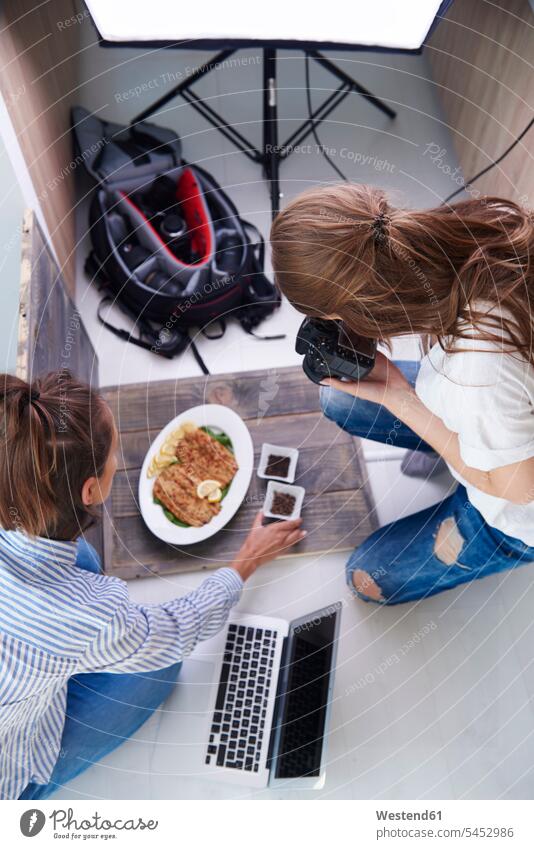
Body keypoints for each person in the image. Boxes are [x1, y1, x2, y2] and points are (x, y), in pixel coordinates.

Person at [0, 371, 305, 800]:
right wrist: (246, 561)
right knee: (162, 664)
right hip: (13, 768)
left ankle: (69, 661)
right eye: (113, 457)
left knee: (83, 560)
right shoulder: (94, 614)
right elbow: (176, 631)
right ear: (91, 490)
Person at [270, 183, 534, 606]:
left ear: (361, 308)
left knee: (365, 577)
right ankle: (455, 453)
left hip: (510, 507)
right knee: (342, 397)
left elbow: (520, 489)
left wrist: (401, 399)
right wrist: (399, 395)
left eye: (335, 318)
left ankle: (487, 520)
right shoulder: (460, 229)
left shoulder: (478, 373)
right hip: (493, 418)